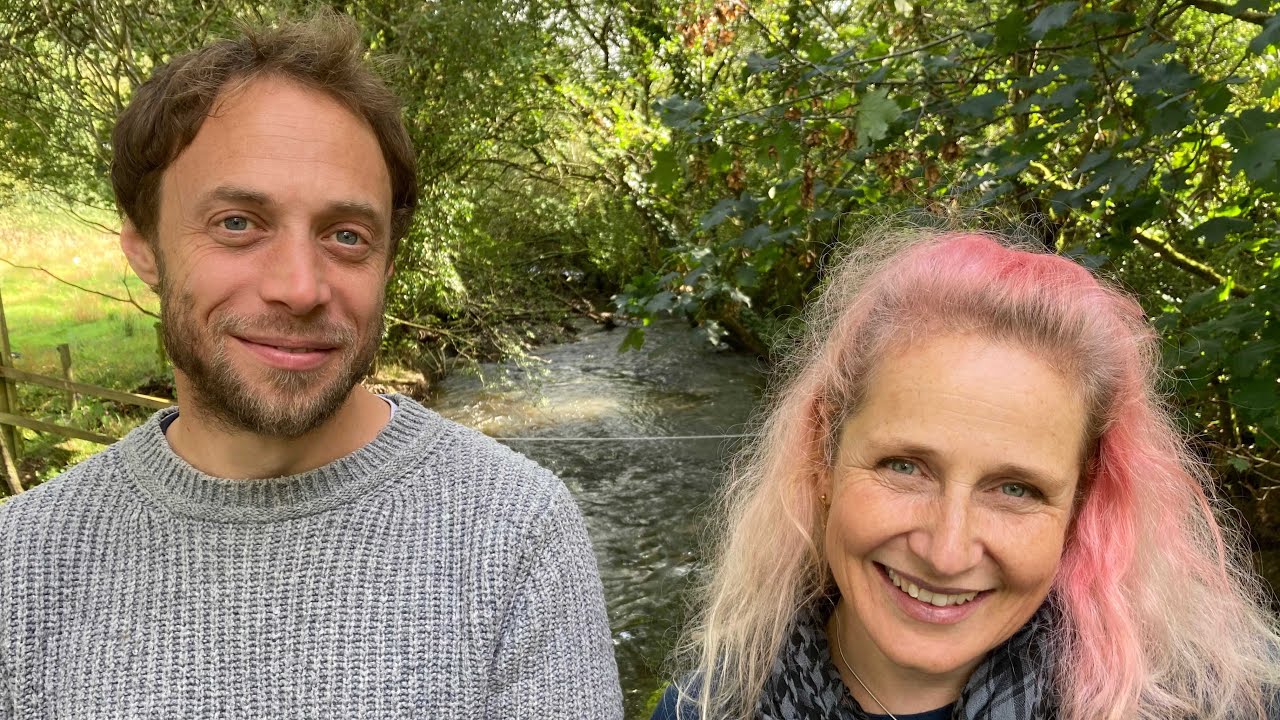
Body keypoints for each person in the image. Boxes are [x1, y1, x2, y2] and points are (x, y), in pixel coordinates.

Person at [0, 12, 622, 719]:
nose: (300, 286)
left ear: (387, 262)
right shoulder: (21, 565)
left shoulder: (516, 533)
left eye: (346, 236)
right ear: (144, 246)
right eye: (237, 223)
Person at [652, 229, 1280, 720]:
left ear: (1083, 501)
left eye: (1016, 489)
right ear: (823, 453)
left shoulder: (1217, 703)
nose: (947, 552)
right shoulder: (706, 710)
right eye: (906, 468)